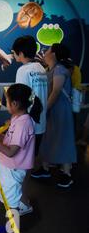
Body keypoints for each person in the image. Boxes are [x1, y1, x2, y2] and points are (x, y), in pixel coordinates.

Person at [0, 84, 43, 216]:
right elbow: (12, 139)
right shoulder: (18, 118)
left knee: (11, 200)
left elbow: (11, 152)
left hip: (14, 167)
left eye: (7, 101)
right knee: (10, 193)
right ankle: (20, 207)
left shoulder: (23, 123)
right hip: (10, 166)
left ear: (14, 103)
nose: (7, 104)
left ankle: (14, 220)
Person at [31, 43, 77, 188]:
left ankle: (66, 173)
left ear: (54, 54)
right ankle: (45, 168)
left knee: (63, 138)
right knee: (48, 137)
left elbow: (56, 92)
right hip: (52, 109)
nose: (45, 52)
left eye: (48, 50)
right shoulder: (50, 69)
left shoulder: (59, 70)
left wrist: (44, 110)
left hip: (60, 110)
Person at [12, 36, 48, 156]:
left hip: (27, 123)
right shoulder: (41, 69)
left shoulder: (23, 71)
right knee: (32, 156)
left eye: (14, 53)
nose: (13, 55)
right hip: (40, 121)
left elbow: (20, 97)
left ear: (21, 53)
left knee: (23, 157)